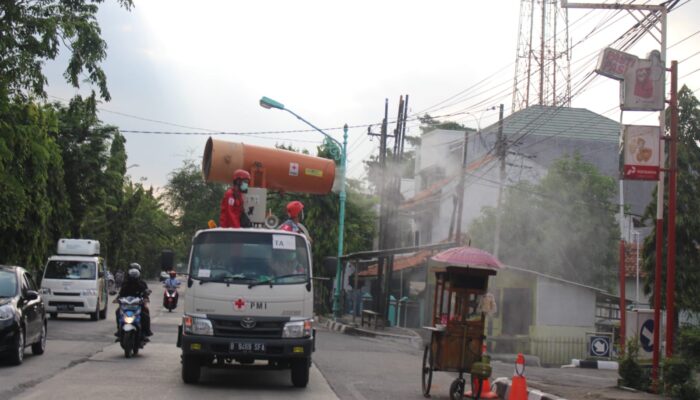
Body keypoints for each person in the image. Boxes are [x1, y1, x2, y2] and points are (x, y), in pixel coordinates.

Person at [114, 263, 153, 340]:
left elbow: (145, 293)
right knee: (118, 312)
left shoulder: (142, 283)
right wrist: (117, 299)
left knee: (145, 313)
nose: (133, 277)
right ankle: (119, 329)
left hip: (138, 304)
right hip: (126, 304)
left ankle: (146, 331)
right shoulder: (125, 283)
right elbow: (121, 293)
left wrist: (145, 298)